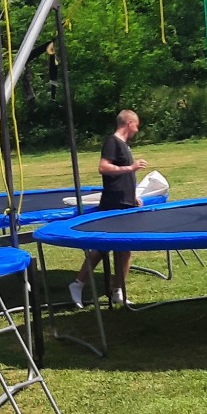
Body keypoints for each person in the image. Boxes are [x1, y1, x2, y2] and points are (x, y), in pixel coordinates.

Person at [70, 108, 150, 310]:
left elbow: (123, 178)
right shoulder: (112, 142)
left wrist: (132, 195)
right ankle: (78, 284)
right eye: (136, 125)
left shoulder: (124, 145)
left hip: (125, 203)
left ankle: (118, 291)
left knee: (125, 250)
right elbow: (104, 167)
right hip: (112, 204)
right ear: (129, 123)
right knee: (101, 248)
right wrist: (131, 168)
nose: (137, 130)